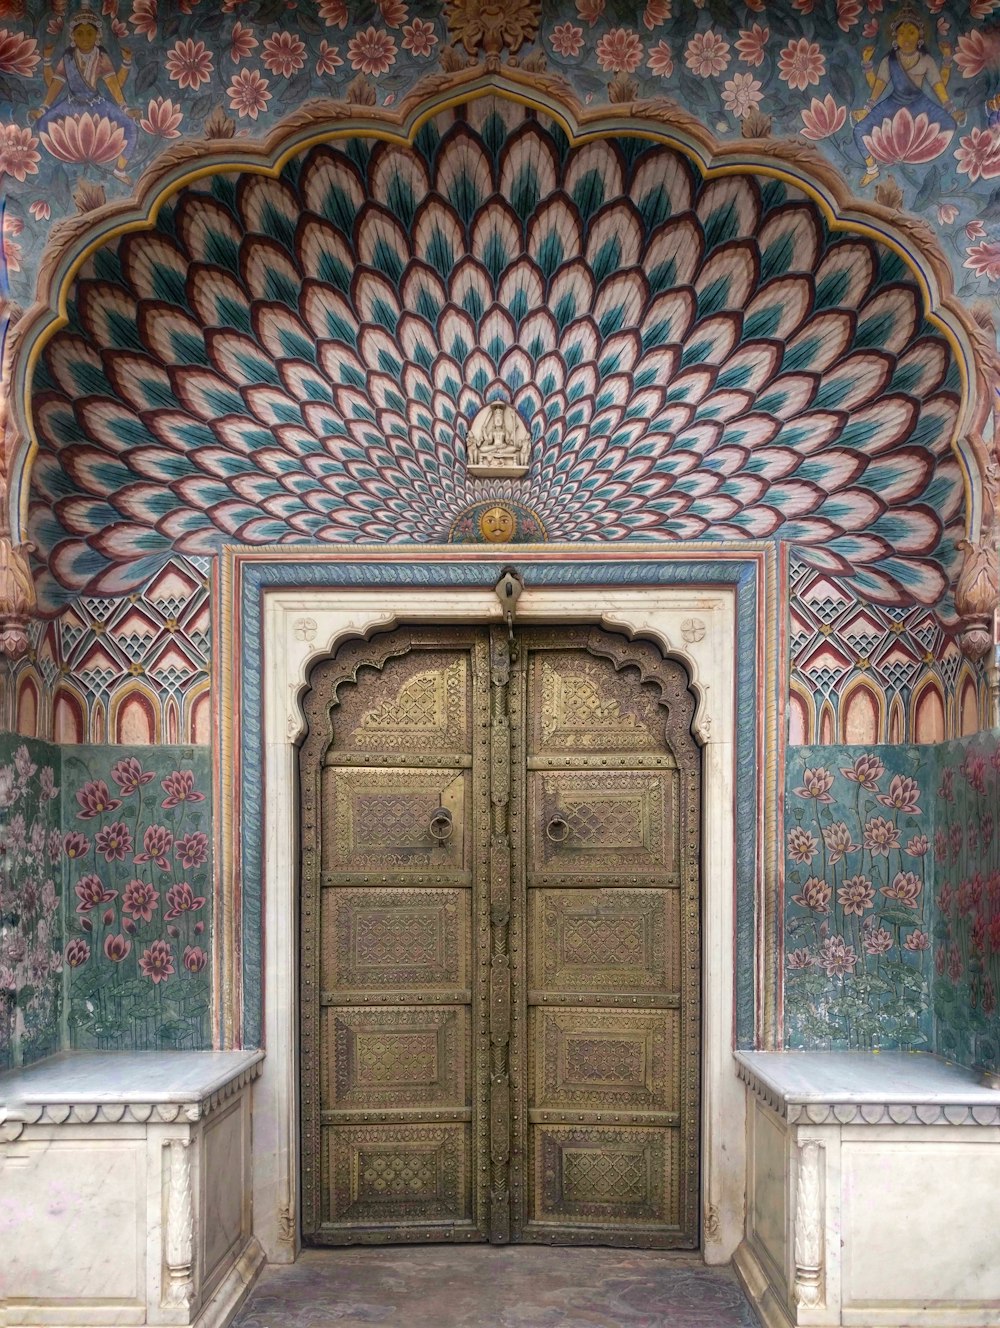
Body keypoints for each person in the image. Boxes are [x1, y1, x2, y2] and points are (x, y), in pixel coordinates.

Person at [852, 17, 965, 189]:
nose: (906, 37)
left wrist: (951, 109)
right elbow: (878, 86)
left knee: (950, 123)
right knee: (859, 130)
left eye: (911, 32)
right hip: (894, 102)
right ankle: (872, 169)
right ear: (895, 37)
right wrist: (867, 107)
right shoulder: (889, 61)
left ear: (919, 36)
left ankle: (919, 155)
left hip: (919, 103)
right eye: (902, 33)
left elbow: (938, 85)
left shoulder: (926, 60)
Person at [30, 6, 139, 185]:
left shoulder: (101, 56)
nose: (85, 38)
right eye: (80, 33)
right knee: (42, 124)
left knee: (131, 128)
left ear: (97, 36)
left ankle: (119, 170)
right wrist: (43, 108)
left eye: (89, 33)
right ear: (72, 37)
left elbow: (113, 84)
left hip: (97, 103)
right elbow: (55, 84)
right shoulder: (68, 57)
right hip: (71, 103)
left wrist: (125, 108)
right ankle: (48, 173)